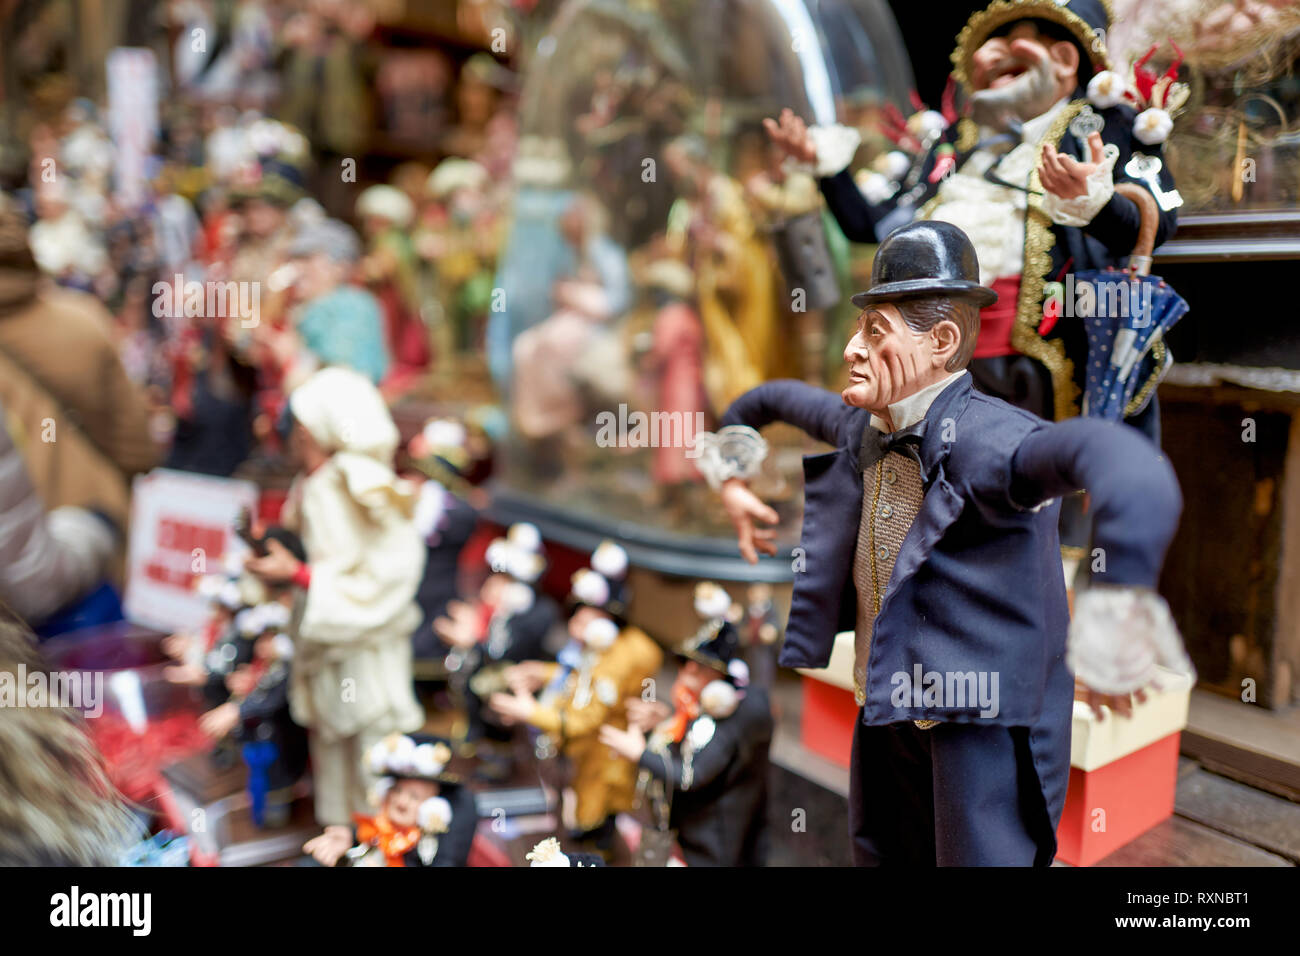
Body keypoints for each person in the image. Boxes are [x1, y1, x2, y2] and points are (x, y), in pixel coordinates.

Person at [698, 219, 1190, 866]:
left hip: (973, 726)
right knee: (881, 849)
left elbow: (1131, 467)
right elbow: (765, 399)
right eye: (860, 329)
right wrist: (732, 477)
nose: (852, 349)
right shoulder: (860, 427)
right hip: (883, 704)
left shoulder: (997, 443)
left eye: (876, 334)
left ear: (944, 341)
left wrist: (1119, 603)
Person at [764, 0, 1183, 575]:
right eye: (987, 47)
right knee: (939, 491)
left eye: (1018, 43)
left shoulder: (1102, 125)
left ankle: (1043, 613)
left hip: (1044, 353)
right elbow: (873, 226)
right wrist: (829, 171)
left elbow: (1152, 223)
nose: (991, 57)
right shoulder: (953, 148)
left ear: (1065, 60)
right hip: (937, 361)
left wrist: (1096, 203)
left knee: (1038, 494)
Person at [244, 367, 425, 832]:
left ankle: (381, 839)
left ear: (306, 430)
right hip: (328, 635)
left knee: (369, 743)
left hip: (359, 639)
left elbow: (384, 566)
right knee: (331, 737)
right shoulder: (316, 484)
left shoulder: (352, 482)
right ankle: (341, 830)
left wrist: (303, 575)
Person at [489, 540, 662, 858]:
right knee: (570, 808)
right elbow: (578, 675)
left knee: (591, 822)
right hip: (577, 755)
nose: (575, 626)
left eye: (586, 619)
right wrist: (544, 672)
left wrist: (532, 711)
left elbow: (585, 719)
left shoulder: (614, 663)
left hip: (600, 756)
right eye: (576, 617)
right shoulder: (592, 651)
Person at [599, 599, 773, 867]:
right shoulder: (698, 706)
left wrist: (639, 752)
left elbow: (690, 775)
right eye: (685, 663)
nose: (688, 672)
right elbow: (691, 730)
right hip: (692, 823)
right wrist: (666, 719)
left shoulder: (729, 717)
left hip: (716, 831)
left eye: (699, 667)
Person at [304, 734, 477, 868]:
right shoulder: (371, 832)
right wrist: (351, 841)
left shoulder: (428, 852)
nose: (401, 801)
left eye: (414, 796)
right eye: (397, 790)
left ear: (433, 808)